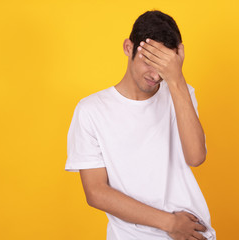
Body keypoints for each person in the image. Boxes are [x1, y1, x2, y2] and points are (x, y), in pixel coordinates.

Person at [65, 10, 217, 240]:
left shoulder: (180, 92)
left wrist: (176, 79)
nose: (156, 75)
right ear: (129, 48)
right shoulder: (91, 110)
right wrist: (170, 223)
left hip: (192, 234)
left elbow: (196, 156)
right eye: (149, 61)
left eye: (164, 65)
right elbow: (96, 192)